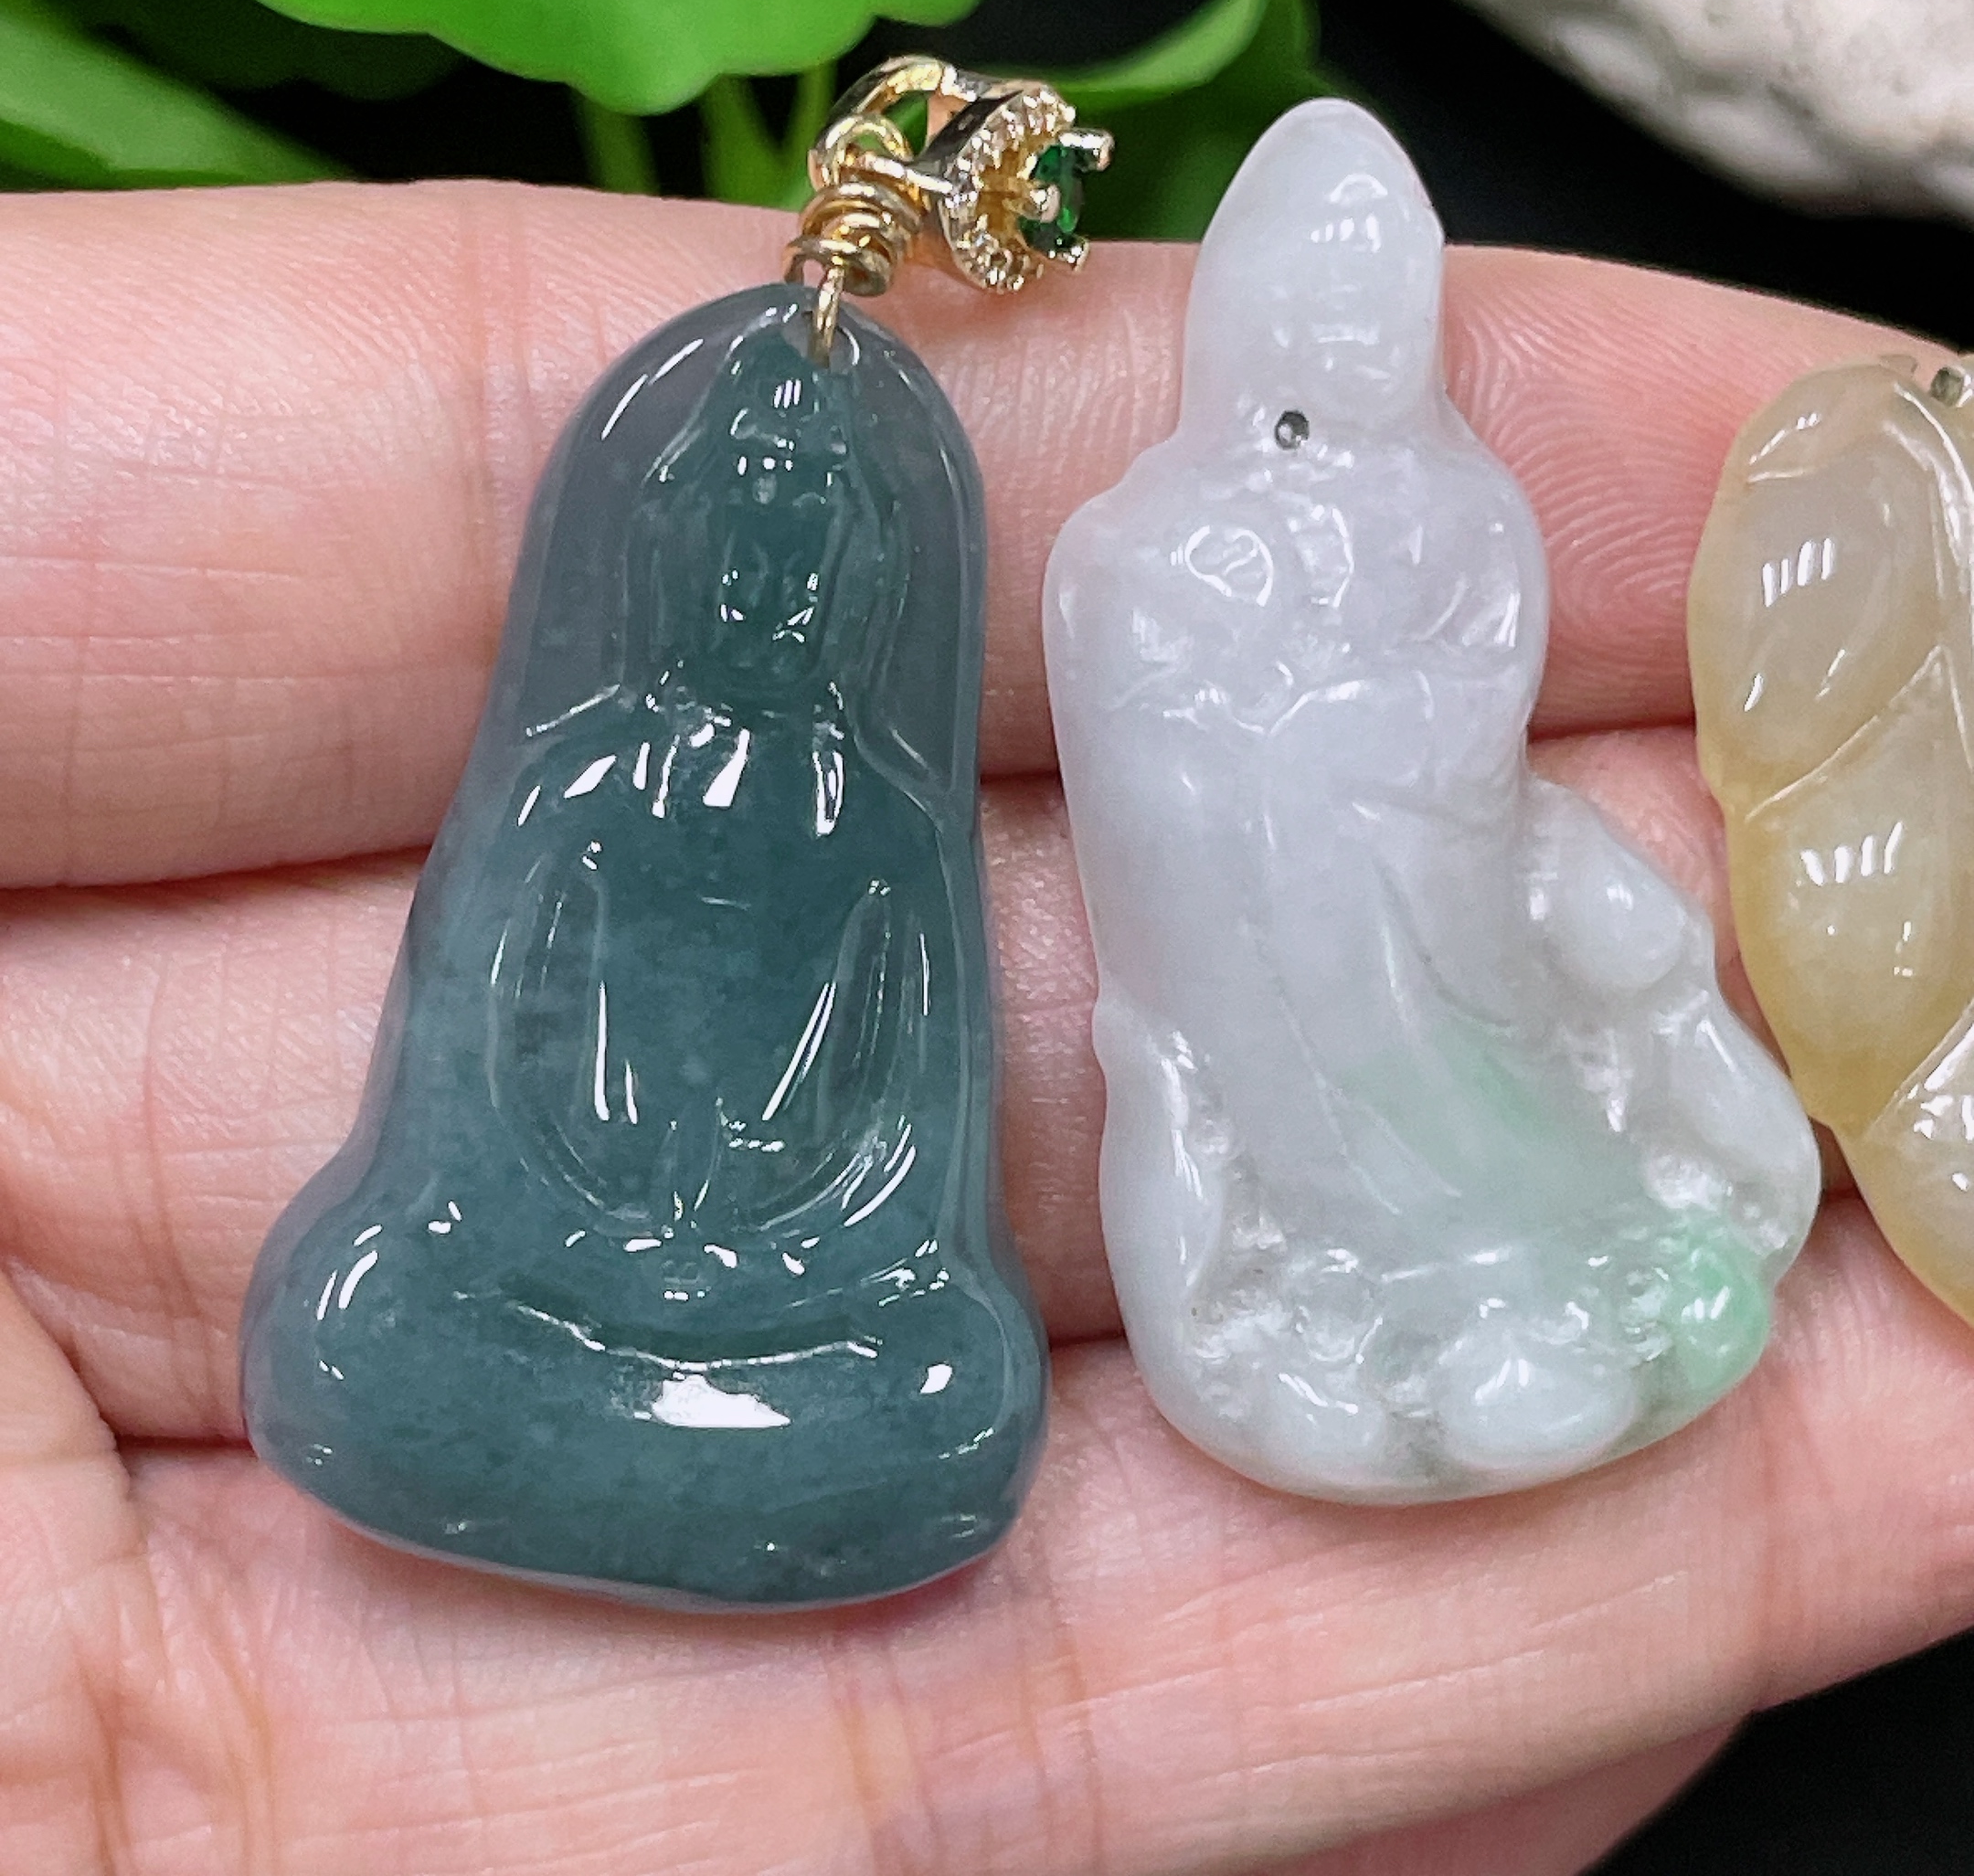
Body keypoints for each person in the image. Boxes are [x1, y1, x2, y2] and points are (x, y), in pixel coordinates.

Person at [0, 180, 1960, 1874]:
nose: (773, 575)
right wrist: (606, 1206)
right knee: (359, 1330)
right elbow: (481, 1068)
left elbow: (897, 1122)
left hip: (838, 1260)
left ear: (865, 574)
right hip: (534, 1255)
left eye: (813, 543)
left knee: (947, 1392)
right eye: (740, 531)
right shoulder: (589, 779)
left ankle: (1487, 1273)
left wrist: (777, 1230)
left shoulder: (883, 810)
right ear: (670, 544)